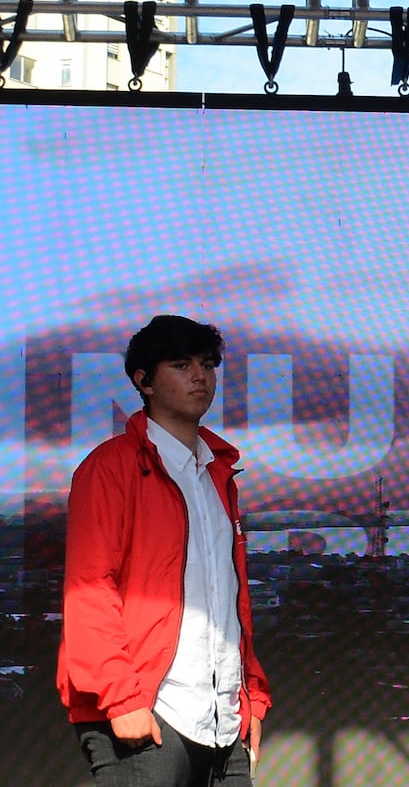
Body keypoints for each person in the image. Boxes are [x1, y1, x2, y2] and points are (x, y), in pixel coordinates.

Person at [57, 315, 271, 786]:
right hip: (147, 709)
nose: (200, 376)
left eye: (208, 364)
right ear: (144, 381)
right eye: (181, 364)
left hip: (224, 718)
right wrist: (122, 699)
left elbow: (226, 600)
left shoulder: (218, 474)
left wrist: (252, 696)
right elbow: (89, 590)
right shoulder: (109, 468)